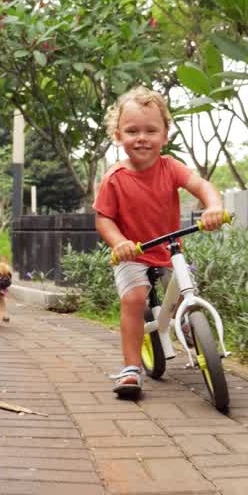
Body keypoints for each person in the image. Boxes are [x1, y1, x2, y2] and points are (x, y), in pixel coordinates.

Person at [93, 86, 229, 397]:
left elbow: (201, 185)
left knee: (186, 291)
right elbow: (103, 219)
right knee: (134, 299)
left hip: (169, 248)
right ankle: (131, 368)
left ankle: (190, 326)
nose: (141, 137)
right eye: (132, 131)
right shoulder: (114, 178)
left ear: (165, 135)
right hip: (133, 253)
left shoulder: (170, 167)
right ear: (118, 135)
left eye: (151, 130)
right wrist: (118, 243)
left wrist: (213, 207)